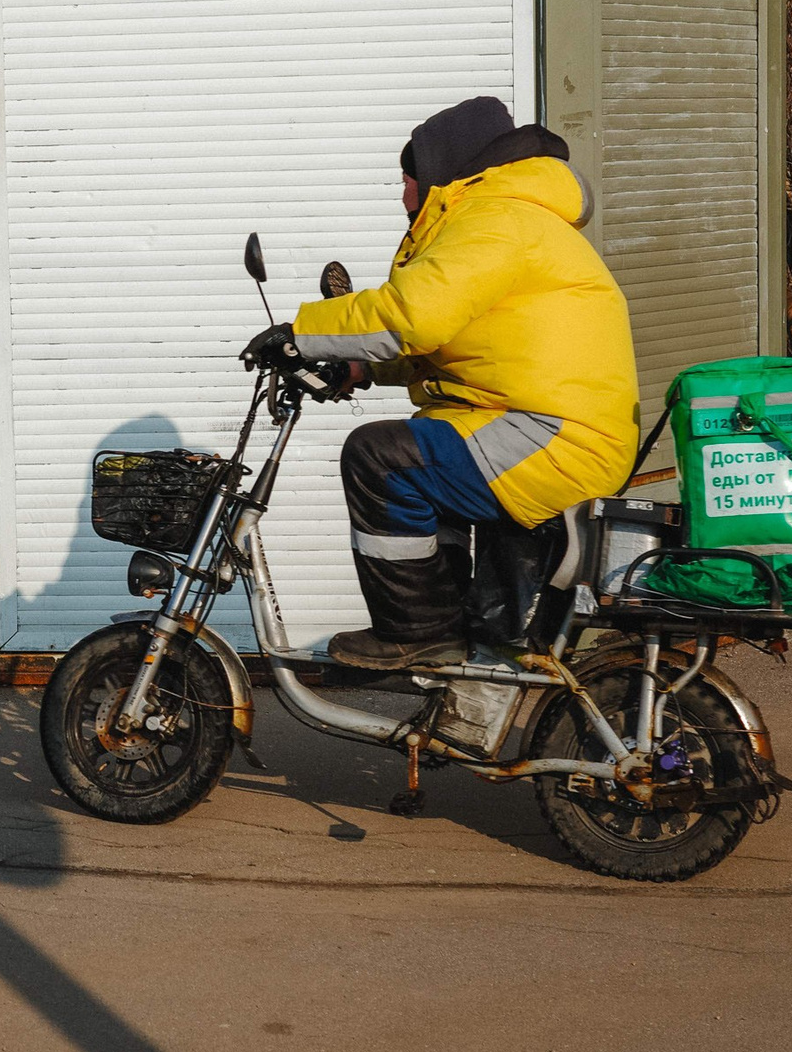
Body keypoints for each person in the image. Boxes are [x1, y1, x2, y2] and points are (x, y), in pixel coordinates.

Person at [249, 96, 639, 672]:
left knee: (381, 459)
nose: (404, 195)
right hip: (539, 422)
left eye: (408, 180)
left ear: (439, 173)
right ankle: (453, 635)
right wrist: (360, 368)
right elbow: (452, 342)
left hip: (557, 436)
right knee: (426, 446)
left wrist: (298, 334)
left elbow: (414, 317)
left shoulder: (497, 219)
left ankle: (418, 632)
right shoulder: (503, 215)